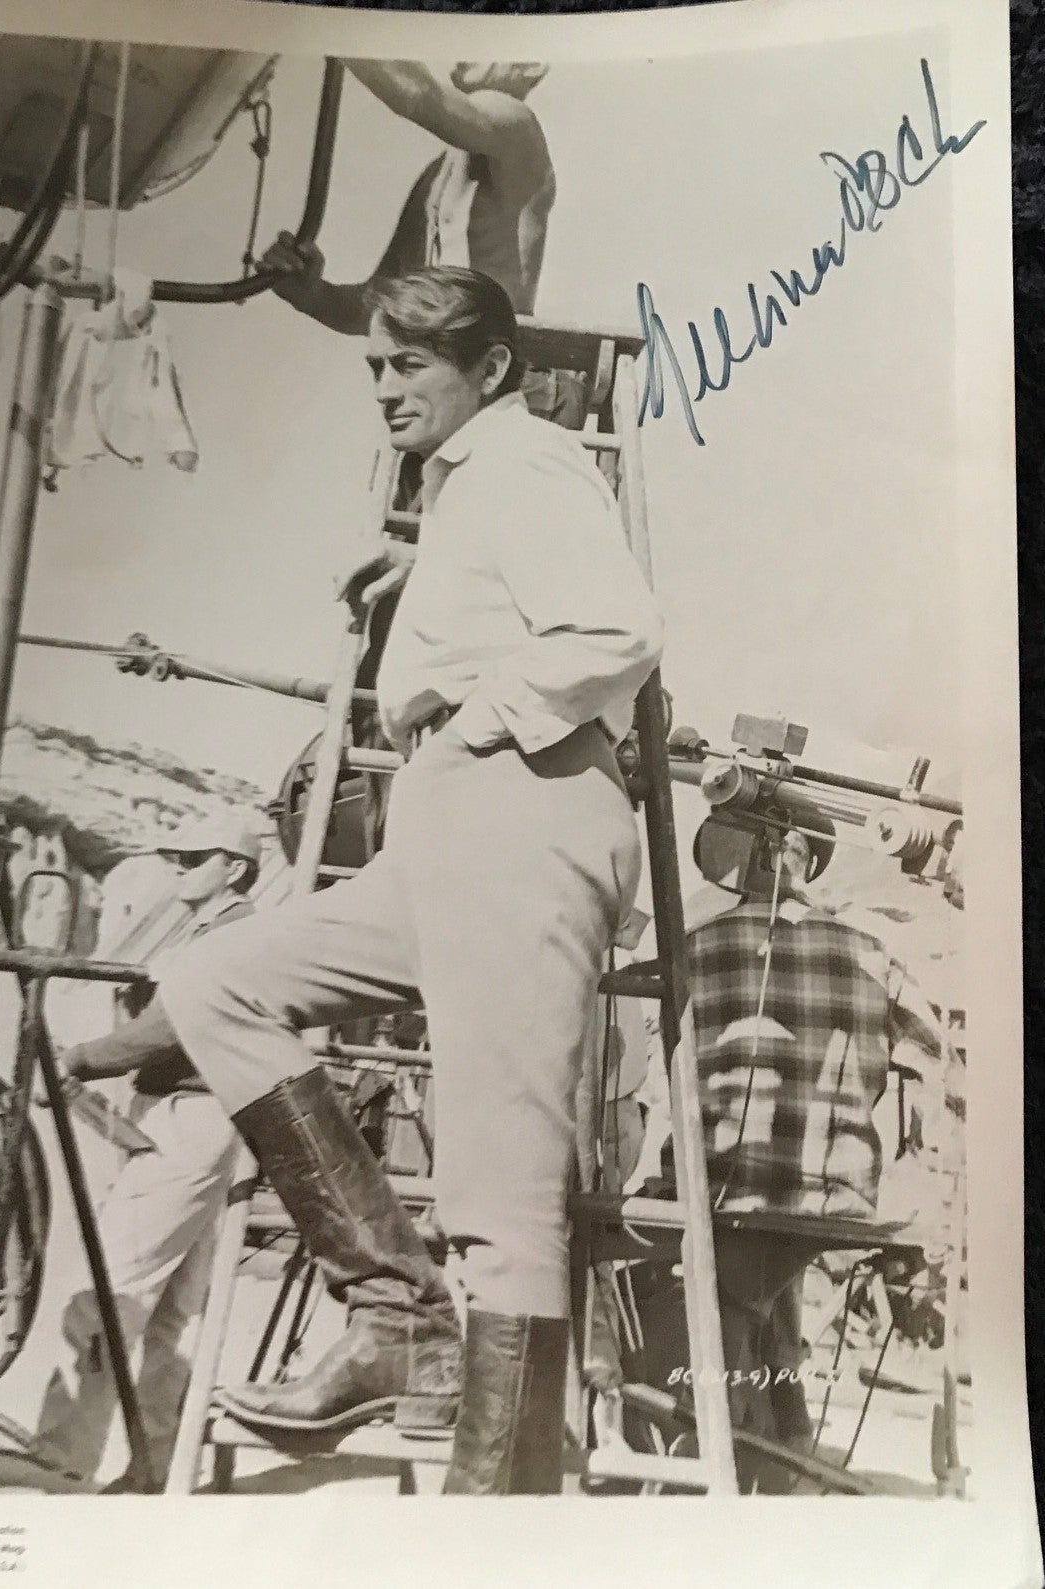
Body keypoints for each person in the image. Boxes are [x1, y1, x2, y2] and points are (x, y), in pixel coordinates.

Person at [155, 266, 664, 1494]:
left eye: (411, 365)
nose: (385, 388)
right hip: (446, 826)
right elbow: (509, 600)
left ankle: (496, 1524)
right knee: (216, 980)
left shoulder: (530, 459)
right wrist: (423, 584)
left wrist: (482, 716)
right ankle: (397, 1319)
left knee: (501, 1187)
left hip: (519, 811)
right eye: (376, 367)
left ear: (489, 369)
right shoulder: (467, 492)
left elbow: (614, 630)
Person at [635, 814, 948, 1488]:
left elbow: (647, 1053)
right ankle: (785, 1437)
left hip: (724, 1189)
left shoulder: (694, 944)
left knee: (693, 1292)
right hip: (836, 1199)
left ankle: (722, 1456)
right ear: (807, 863)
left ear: (733, 861)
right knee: (772, 1277)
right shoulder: (871, 950)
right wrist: (906, 1160)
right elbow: (931, 1061)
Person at [32, 812, 261, 1491]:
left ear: (235, 868)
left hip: (189, 1113)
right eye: (175, 857)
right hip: (194, 1113)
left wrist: (78, 1059)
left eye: (194, 857)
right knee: (174, 1313)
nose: (179, 866)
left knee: (108, 1291)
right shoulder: (208, 931)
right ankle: (157, 1464)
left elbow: (172, 1024)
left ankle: (58, 1462)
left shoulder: (233, 934)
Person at [263, 61, 553, 334]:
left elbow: (419, 94)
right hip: (444, 363)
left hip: (495, 368)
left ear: (533, 65)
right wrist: (313, 295)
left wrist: (341, 28)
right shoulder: (438, 175)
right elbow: (381, 304)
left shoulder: (517, 123)